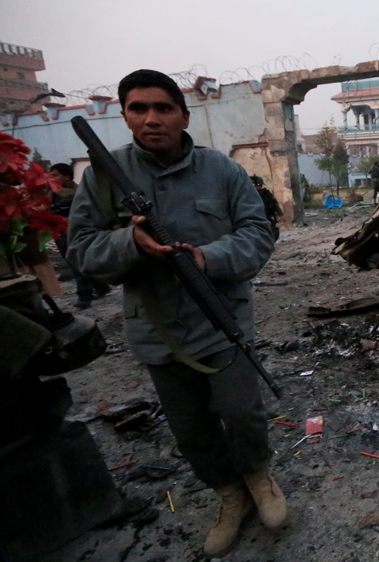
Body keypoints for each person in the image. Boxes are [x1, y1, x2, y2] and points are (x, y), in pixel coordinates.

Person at [66, 69, 285, 558]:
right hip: (157, 329)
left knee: (242, 413)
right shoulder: (102, 178)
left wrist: (208, 257)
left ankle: (258, 478)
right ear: (124, 116)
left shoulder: (221, 171)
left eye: (163, 108)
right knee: (190, 430)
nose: (151, 119)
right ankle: (229, 496)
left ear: (184, 116)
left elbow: (258, 234)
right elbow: (80, 252)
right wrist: (131, 243)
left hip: (222, 319)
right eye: (138, 109)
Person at [49, 163, 111, 308]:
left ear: (67, 177)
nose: (51, 178)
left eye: (55, 175)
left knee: (78, 262)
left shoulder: (79, 192)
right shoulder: (51, 193)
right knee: (77, 262)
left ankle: (84, 296)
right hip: (61, 234)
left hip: (78, 231)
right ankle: (101, 287)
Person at [250, 175, 282, 241]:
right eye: (256, 185)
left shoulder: (266, 193)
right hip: (254, 218)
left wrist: (279, 213)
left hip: (267, 216)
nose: (258, 187)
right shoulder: (249, 195)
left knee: (273, 231)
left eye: (260, 185)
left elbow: (274, 203)